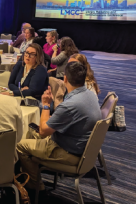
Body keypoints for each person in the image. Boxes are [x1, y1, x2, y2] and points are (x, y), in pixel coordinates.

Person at [16, 62, 101, 190]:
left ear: (65, 78)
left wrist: (46, 104)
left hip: (69, 152)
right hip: (83, 149)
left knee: (19, 145)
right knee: (32, 132)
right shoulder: (89, 95)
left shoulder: (71, 104)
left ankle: (34, 185)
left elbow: (44, 131)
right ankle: (31, 171)